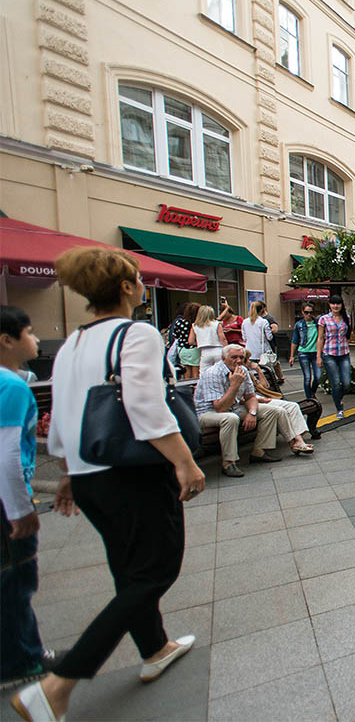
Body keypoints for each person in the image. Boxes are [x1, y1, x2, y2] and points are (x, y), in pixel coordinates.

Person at [22, 248, 205, 721]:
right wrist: (185, 462)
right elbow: (146, 407)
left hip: (89, 476)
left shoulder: (72, 344)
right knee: (155, 571)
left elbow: (61, 417)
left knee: (129, 570)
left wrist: (67, 473)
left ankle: (155, 648)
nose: (142, 285)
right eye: (138, 279)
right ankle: (59, 685)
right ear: (126, 288)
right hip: (134, 474)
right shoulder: (137, 332)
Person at [0, 307, 63, 688]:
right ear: (7, 340)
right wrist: (21, 508)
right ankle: (23, 659)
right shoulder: (12, 387)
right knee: (16, 581)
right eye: (29, 332)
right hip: (7, 503)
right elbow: (7, 453)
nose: (36, 340)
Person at [194, 344, 283, 477]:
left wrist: (252, 413)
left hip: (233, 408)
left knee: (271, 411)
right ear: (223, 358)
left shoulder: (242, 370)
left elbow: (250, 397)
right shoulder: (213, 373)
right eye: (234, 357)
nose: (238, 361)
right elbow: (220, 408)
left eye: (241, 357)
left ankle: (259, 452)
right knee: (230, 418)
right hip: (208, 413)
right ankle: (229, 463)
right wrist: (234, 385)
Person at [242, 357, 314, 455]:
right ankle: (297, 441)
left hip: (262, 399)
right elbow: (242, 398)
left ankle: (298, 441)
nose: (248, 363)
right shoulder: (232, 375)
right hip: (253, 403)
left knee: (293, 406)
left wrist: (258, 370)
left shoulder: (247, 373)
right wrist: (260, 399)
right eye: (246, 361)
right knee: (280, 411)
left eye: (244, 359)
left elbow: (265, 387)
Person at [316, 294, 352, 419]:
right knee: (335, 382)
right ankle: (339, 408)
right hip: (329, 353)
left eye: (338, 303)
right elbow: (320, 338)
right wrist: (318, 356)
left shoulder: (346, 318)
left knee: (347, 382)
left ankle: (339, 396)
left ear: (341, 305)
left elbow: (348, 334)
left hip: (344, 353)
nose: (335, 306)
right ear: (329, 305)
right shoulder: (324, 319)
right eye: (333, 304)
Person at [289, 304, 320, 399]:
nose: (308, 314)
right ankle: (309, 398)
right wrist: (292, 356)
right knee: (307, 378)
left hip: (315, 353)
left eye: (310, 312)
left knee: (318, 377)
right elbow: (295, 340)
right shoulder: (299, 325)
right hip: (303, 353)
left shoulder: (318, 324)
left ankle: (312, 392)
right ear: (303, 312)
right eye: (306, 312)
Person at [188, 305, 227, 374]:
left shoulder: (195, 326)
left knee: (204, 372)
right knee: (221, 371)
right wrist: (226, 349)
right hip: (218, 350)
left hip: (204, 351)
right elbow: (222, 339)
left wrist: (200, 342)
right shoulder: (216, 324)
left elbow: (190, 341)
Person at [241, 301, 274, 366]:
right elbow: (269, 337)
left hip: (250, 350)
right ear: (261, 310)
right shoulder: (263, 322)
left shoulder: (244, 322)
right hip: (262, 351)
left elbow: (244, 338)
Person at [176, 302, 201, 379]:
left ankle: (186, 388)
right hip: (194, 348)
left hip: (182, 349)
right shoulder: (197, 323)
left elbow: (175, 335)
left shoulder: (179, 322)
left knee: (186, 372)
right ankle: (194, 389)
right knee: (195, 373)